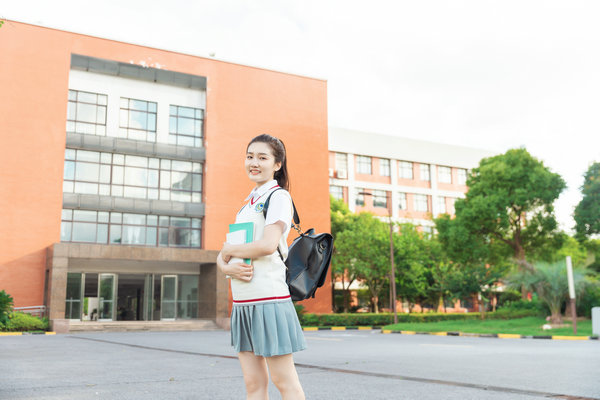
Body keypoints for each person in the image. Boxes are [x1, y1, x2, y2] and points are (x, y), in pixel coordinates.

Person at [217, 134, 306, 400]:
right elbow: (225, 253)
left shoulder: (278, 197)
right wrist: (225, 267)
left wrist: (228, 253)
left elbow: (268, 245)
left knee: (284, 380)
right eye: (250, 156)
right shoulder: (247, 204)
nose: (254, 162)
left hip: (269, 300)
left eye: (262, 157)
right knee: (253, 384)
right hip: (243, 303)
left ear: (277, 164)